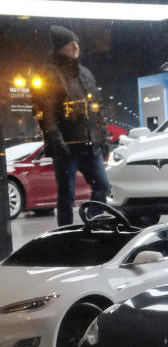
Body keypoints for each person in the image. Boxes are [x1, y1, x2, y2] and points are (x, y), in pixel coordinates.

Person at [37, 25, 110, 226]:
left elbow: (97, 108)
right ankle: (66, 233)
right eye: (71, 43)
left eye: (76, 43)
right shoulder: (50, 73)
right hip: (67, 146)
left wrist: (102, 138)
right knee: (67, 193)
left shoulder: (84, 73)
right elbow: (47, 111)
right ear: (62, 47)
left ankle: (95, 224)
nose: (76, 47)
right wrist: (57, 141)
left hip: (88, 143)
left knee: (102, 185)